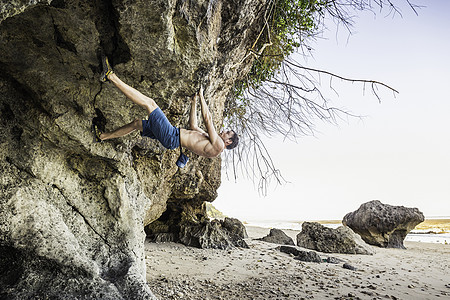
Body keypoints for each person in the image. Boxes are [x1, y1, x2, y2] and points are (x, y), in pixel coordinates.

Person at [94, 57, 239, 160]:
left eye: (227, 132)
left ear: (229, 142)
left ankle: (110, 76)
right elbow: (193, 126)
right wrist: (194, 102)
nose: (224, 131)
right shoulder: (211, 141)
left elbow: (207, 119)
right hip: (172, 138)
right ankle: (102, 137)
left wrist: (202, 96)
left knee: (150, 103)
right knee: (137, 123)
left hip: (172, 136)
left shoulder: (219, 145)